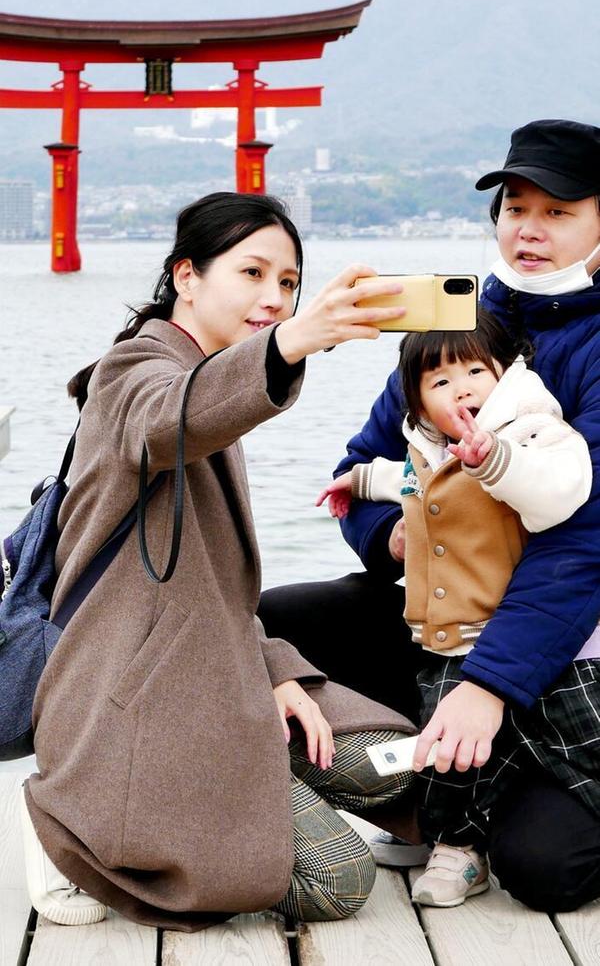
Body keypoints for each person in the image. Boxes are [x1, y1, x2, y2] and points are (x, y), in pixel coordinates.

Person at [20, 192, 421, 932]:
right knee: (337, 877)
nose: (273, 297)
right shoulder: (134, 370)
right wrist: (294, 339)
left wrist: (276, 673)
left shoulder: (206, 374)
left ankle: (257, 774)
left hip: (217, 668)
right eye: (253, 273)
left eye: (290, 283)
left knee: (402, 761)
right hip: (134, 701)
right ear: (188, 276)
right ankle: (62, 824)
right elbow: (168, 417)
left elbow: (215, 589)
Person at [259, 119, 600, 912]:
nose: (529, 229)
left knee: (545, 869)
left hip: (566, 632)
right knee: (279, 624)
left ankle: (491, 777)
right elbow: (360, 465)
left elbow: (583, 549)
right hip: (446, 605)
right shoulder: (457, 320)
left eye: (558, 212)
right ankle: (422, 794)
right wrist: (394, 538)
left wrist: (488, 684)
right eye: (516, 206)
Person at [316, 309, 592, 905]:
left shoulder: (532, 432)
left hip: (539, 643)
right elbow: (401, 479)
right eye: (439, 382)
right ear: (414, 403)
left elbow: (560, 491)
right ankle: (457, 848)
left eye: (475, 371)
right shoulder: (430, 451)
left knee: (584, 741)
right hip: (452, 637)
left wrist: (493, 458)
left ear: (505, 374)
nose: (461, 387)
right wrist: (358, 485)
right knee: (453, 754)